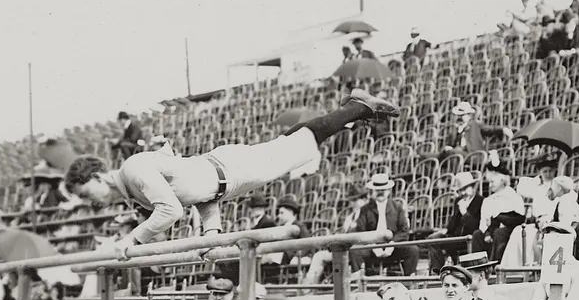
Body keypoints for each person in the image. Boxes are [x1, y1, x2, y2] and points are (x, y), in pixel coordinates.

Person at [64, 90, 398, 256]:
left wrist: (132, 239)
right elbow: (199, 197)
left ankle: (356, 107)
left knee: (298, 143)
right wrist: (213, 233)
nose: (90, 204)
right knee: (290, 144)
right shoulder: (135, 187)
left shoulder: (133, 168)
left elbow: (172, 210)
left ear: (96, 177)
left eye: (85, 195)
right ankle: (353, 111)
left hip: (232, 170)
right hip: (225, 176)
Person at [354, 173, 419, 277]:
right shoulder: (365, 210)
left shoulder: (397, 208)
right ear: (372, 192)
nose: (380, 193)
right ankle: (359, 283)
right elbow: (360, 231)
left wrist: (392, 244)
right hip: (372, 248)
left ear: (388, 191)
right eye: (377, 190)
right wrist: (373, 246)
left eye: (383, 190)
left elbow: (404, 231)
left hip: (392, 248)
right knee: (355, 252)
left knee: (412, 249)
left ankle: (409, 282)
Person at [471, 152, 526, 263]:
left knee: (499, 233)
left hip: (508, 230)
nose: (490, 185)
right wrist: (486, 233)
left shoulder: (513, 196)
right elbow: (483, 223)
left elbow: (518, 218)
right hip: (491, 230)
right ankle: (478, 267)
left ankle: (496, 265)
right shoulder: (488, 200)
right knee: (477, 235)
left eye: (492, 182)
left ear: (502, 180)